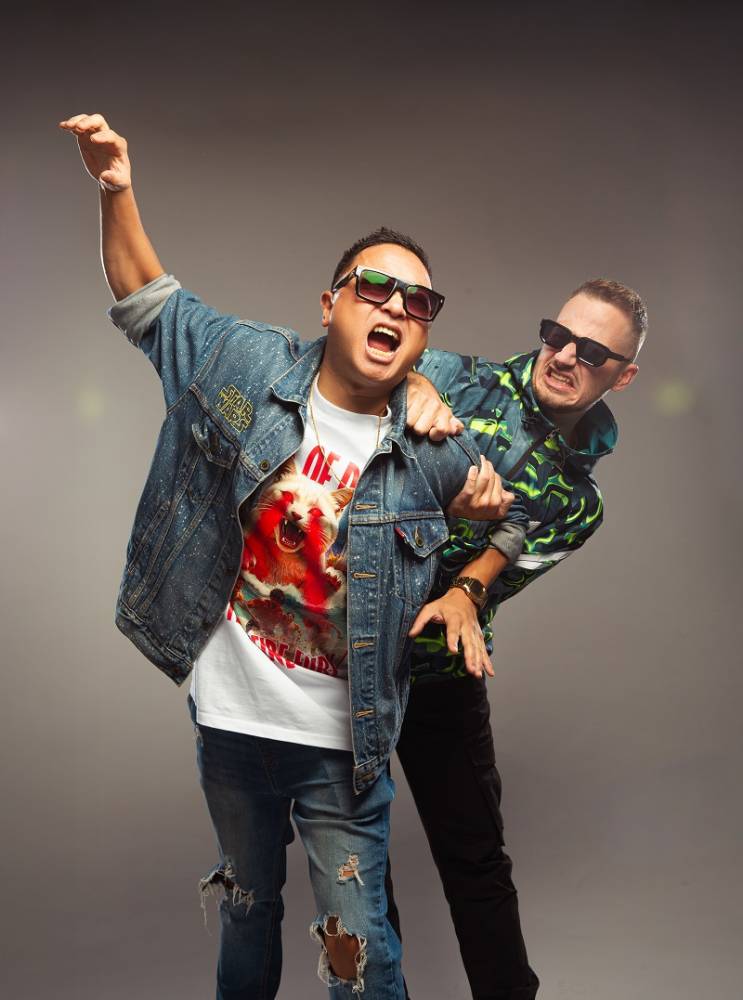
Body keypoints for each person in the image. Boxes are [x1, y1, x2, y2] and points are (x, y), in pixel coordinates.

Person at [59, 112, 529, 1000]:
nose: (395, 307)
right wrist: (116, 190)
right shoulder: (246, 368)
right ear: (330, 303)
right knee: (247, 911)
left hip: (342, 749)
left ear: (424, 336)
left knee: (358, 949)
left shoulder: (435, 448)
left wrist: (471, 575)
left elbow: (514, 516)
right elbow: (147, 300)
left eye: (417, 303)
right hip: (229, 725)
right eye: (375, 287)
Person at [389, 281, 646, 999]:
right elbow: (342, 374)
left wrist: (468, 586)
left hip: (443, 670)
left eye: (590, 352)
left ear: (623, 376)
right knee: (356, 859)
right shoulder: (448, 373)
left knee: (476, 860)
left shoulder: (580, 504)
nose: (562, 357)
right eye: (556, 335)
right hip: (346, 656)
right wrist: (410, 383)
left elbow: (488, 581)